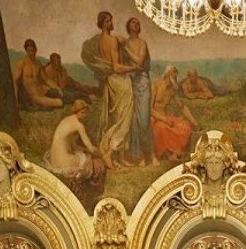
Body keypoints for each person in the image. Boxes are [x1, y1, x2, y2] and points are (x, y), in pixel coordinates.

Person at [81, 11, 137, 170]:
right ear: (104, 23)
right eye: (109, 20)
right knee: (124, 120)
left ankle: (120, 158)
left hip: (111, 82)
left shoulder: (99, 41)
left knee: (118, 117)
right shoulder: (112, 40)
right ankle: (109, 154)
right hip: (120, 81)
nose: (112, 22)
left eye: (111, 20)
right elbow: (117, 67)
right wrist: (134, 67)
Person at [44, 99, 107, 207]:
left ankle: (81, 184)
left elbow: (74, 146)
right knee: (94, 163)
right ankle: (87, 190)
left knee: (83, 155)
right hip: (63, 161)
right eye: (85, 113)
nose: (85, 116)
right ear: (81, 112)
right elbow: (91, 148)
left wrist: (85, 150)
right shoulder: (78, 125)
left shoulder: (66, 120)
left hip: (55, 158)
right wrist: (102, 153)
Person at [124, 17, 155, 167]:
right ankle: (140, 156)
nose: (136, 24)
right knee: (134, 120)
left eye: (138, 22)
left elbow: (139, 62)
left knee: (144, 118)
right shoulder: (124, 44)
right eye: (133, 22)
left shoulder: (141, 43)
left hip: (142, 81)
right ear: (128, 26)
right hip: (129, 82)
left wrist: (126, 49)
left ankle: (151, 154)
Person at [151, 65, 198, 161]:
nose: (175, 77)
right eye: (173, 74)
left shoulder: (172, 90)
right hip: (154, 118)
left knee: (185, 126)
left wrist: (194, 122)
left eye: (176, 75)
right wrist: (164, 119)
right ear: (167, 74)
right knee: (162, 127)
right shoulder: (156, 86)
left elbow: (182, 107)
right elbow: (149, 109)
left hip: (166, 117)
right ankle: (169, 155)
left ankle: (176, 152)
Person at [13, 38, 62, 109]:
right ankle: (36, 104)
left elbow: (46, 80)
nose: (31, 53)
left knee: (58, 94)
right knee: (59, 103)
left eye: (33, 51)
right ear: (26, 51)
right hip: (31, 95)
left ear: (36, 50)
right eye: (29, 51)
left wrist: (58, 88)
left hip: (41, 90)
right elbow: (14, 81)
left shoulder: (38, 63)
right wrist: (16, 101)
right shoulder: (22, 62)